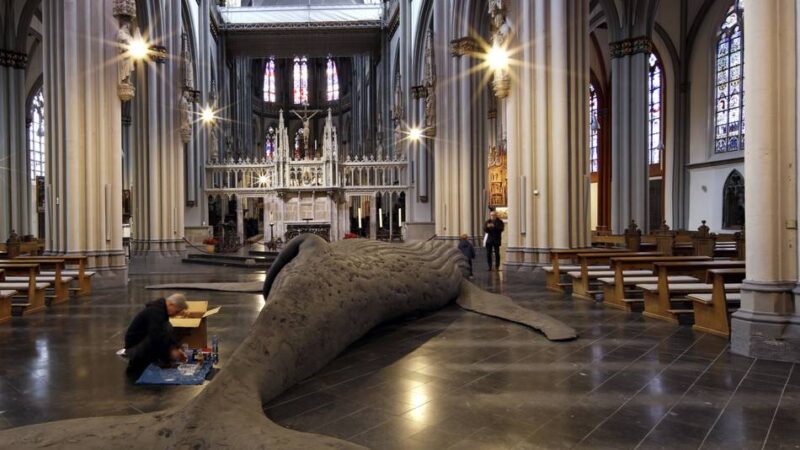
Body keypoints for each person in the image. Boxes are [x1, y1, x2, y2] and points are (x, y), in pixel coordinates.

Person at [124, 293, 188, 371]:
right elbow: (157, 336)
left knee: (167, 327)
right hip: (134, 351)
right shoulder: (155, 312)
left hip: (139, 345)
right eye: (177, 311)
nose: (176, 315)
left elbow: (166, 334)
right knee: (163, 331)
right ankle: (156, 360)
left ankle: (160, 358)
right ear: (171, 304)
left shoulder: (161, 311)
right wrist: (170, 351)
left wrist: (176, 347)